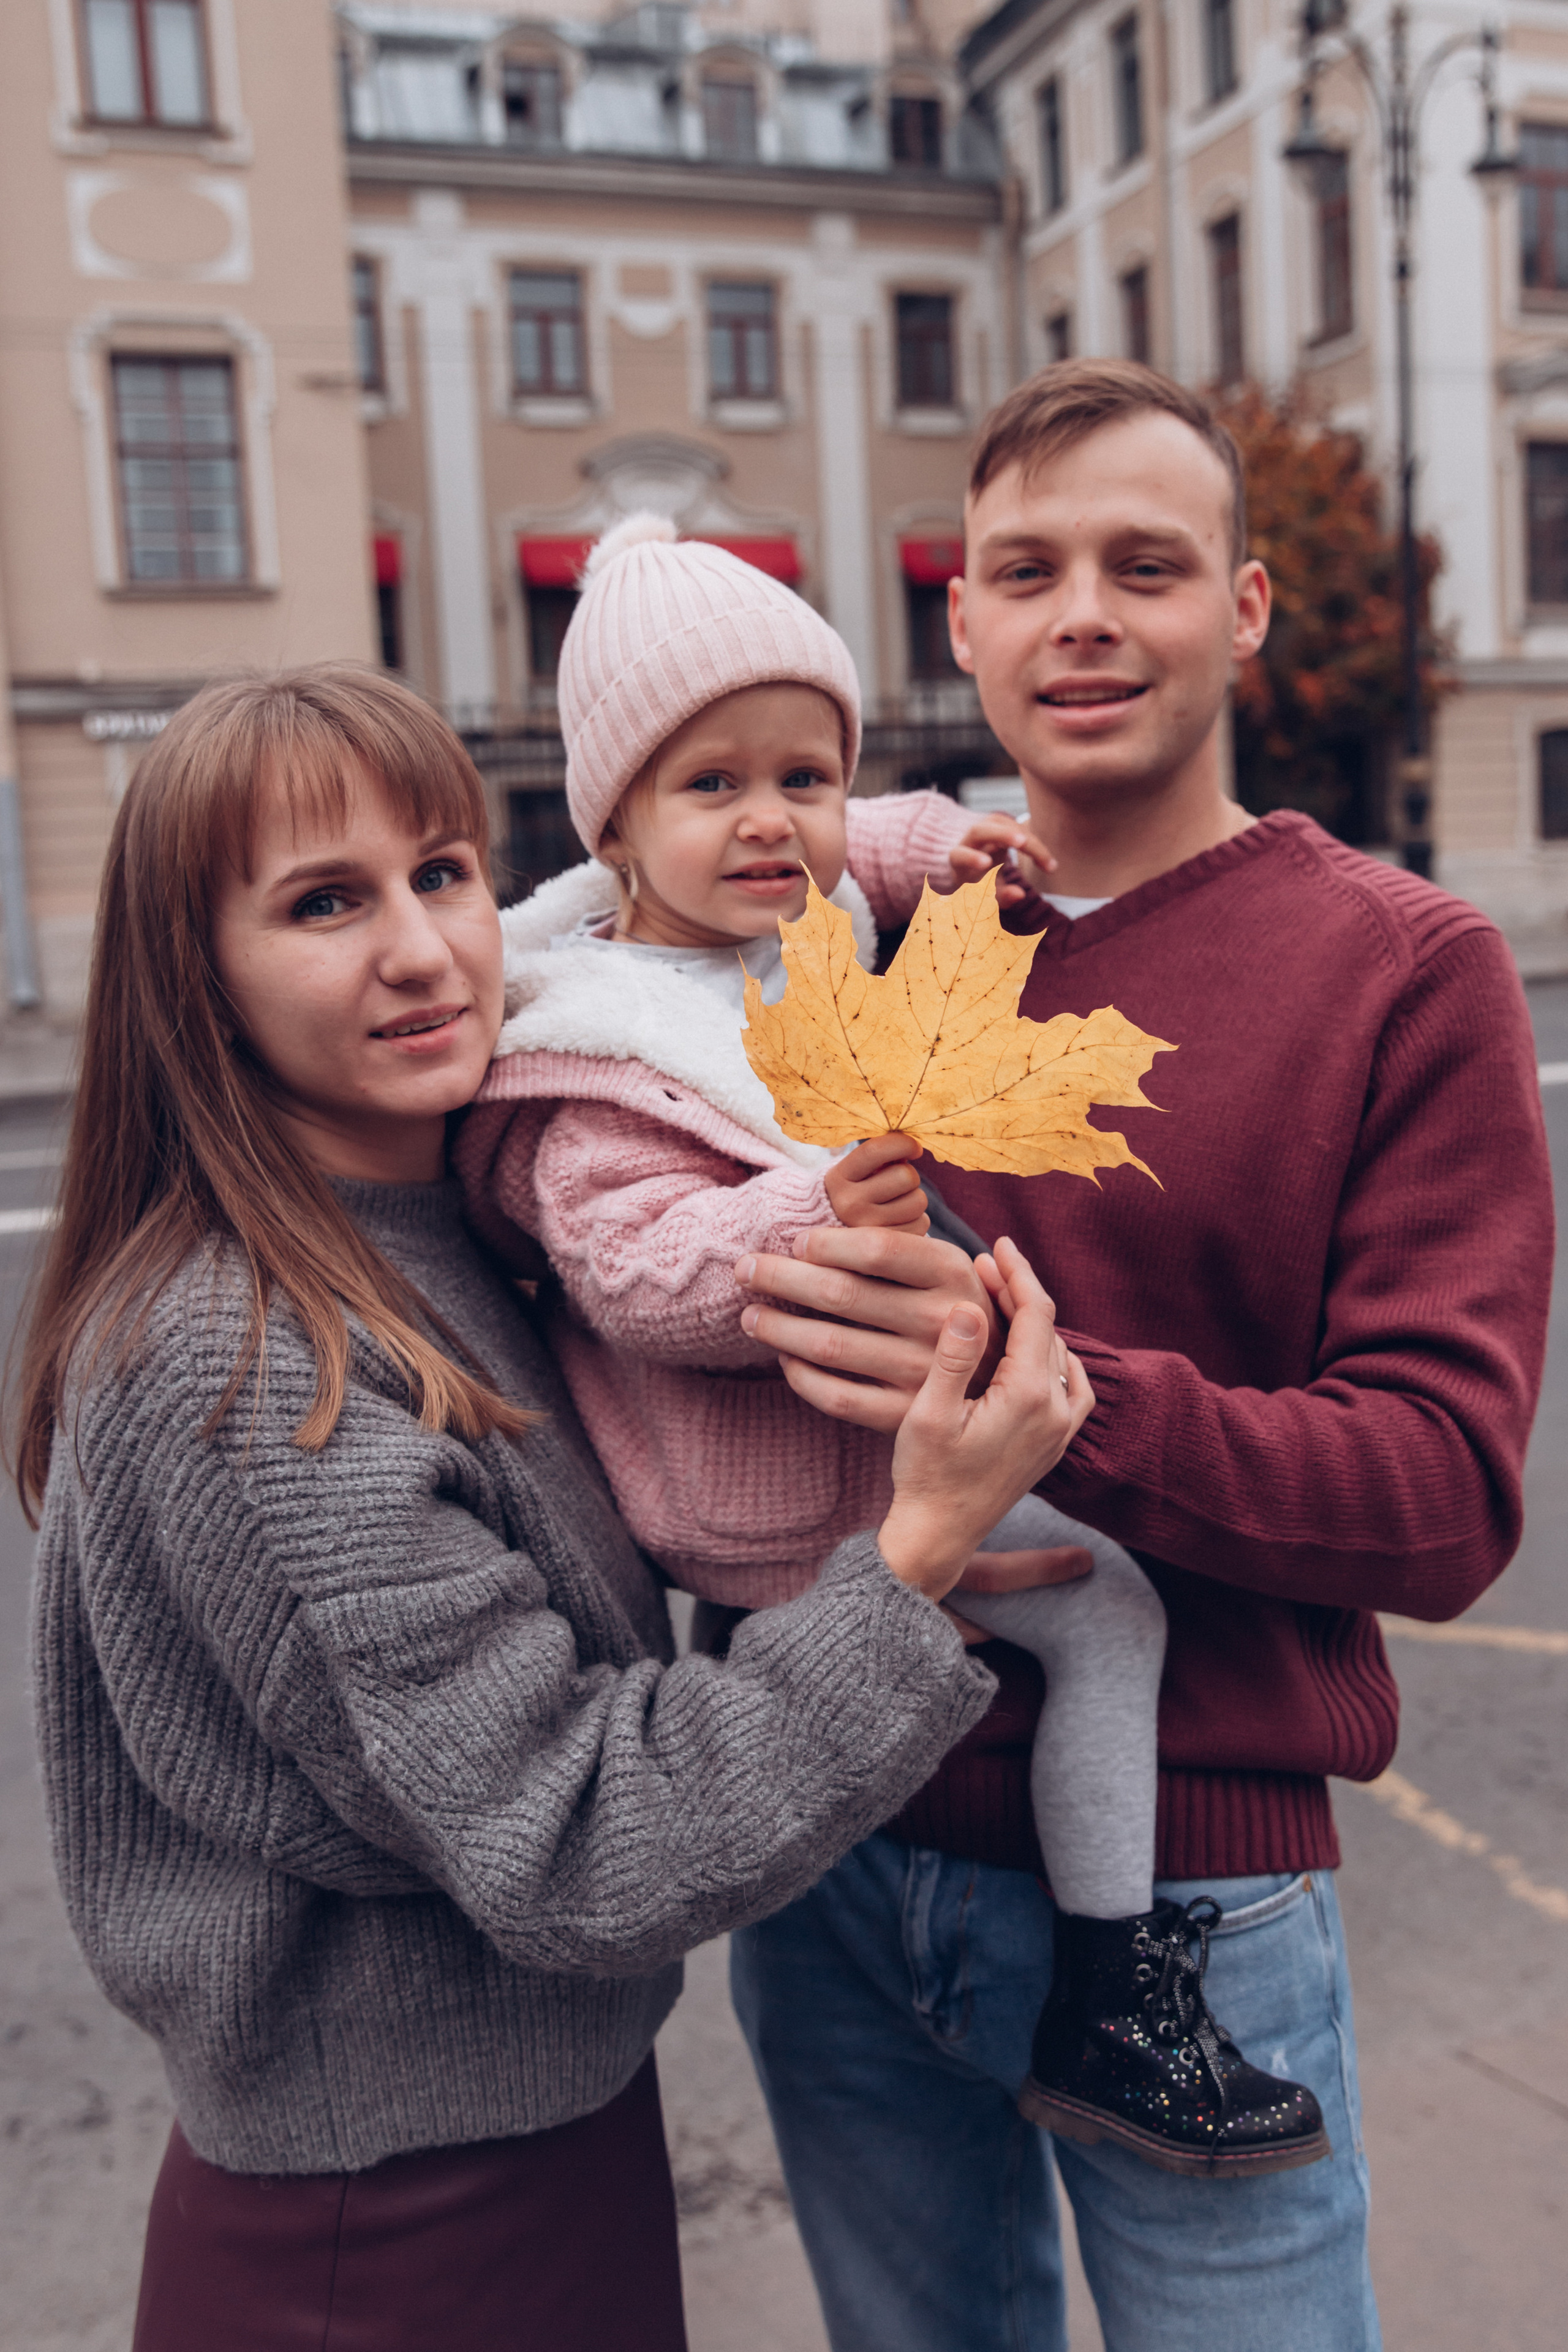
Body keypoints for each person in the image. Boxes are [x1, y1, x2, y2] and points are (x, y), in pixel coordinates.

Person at [13, 665, 1088, 2352]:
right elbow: (586, 1841)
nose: (425, 950)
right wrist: (917, 1547)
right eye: (323, 903)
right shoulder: (242, 1354)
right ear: (196, 981)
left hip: (514, 2154)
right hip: (393, 2238)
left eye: (443, 873)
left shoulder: (429, 1232)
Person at [728, 361, 1555, 2352]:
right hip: (833, 1864)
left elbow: (1441, 1498)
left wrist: (1052, 1394)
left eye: (1146, 564)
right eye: (1027, 568)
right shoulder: (847, 929)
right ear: (963, 617)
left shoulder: (1401, 967)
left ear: (1245, 611)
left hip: (1191, 1901)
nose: (1080, 613)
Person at [458, 515, 1327, 2177]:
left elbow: (885, 841)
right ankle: (1112, 1984)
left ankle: (1073, 1967)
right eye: (711, 788)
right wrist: (804, 1219)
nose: (774, 821)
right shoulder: (589, 1044)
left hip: (877, 1431)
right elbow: (633, 1269)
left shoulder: (811, 916)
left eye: (805, 775)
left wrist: (958, 841)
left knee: (1090, 1617)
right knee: (1108, 1613)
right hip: (780, 1490)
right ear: (617, 822)